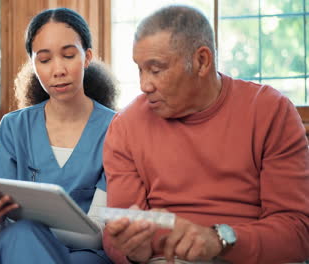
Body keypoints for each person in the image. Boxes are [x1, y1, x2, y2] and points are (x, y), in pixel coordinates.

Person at [102, 5, 309, 264]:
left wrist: (219, 241)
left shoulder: (270, 111)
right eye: (140, 69)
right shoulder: (126, 125)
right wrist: (134, 251)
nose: (145, 85)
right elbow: (116, 235)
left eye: (156, 70)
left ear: (202, 61)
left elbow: (297, 232)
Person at [0, 7, 118, 264]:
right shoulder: (13, 127)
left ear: (87, 57)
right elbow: (2, 239)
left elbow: (100, 234)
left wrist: (40, 230)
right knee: (22, 234)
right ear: (33, 64)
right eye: (44, 60)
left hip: (84, 256)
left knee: (28, 232)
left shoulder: (115, 129)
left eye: (68, 55)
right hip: (19, 248)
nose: (58, 70)